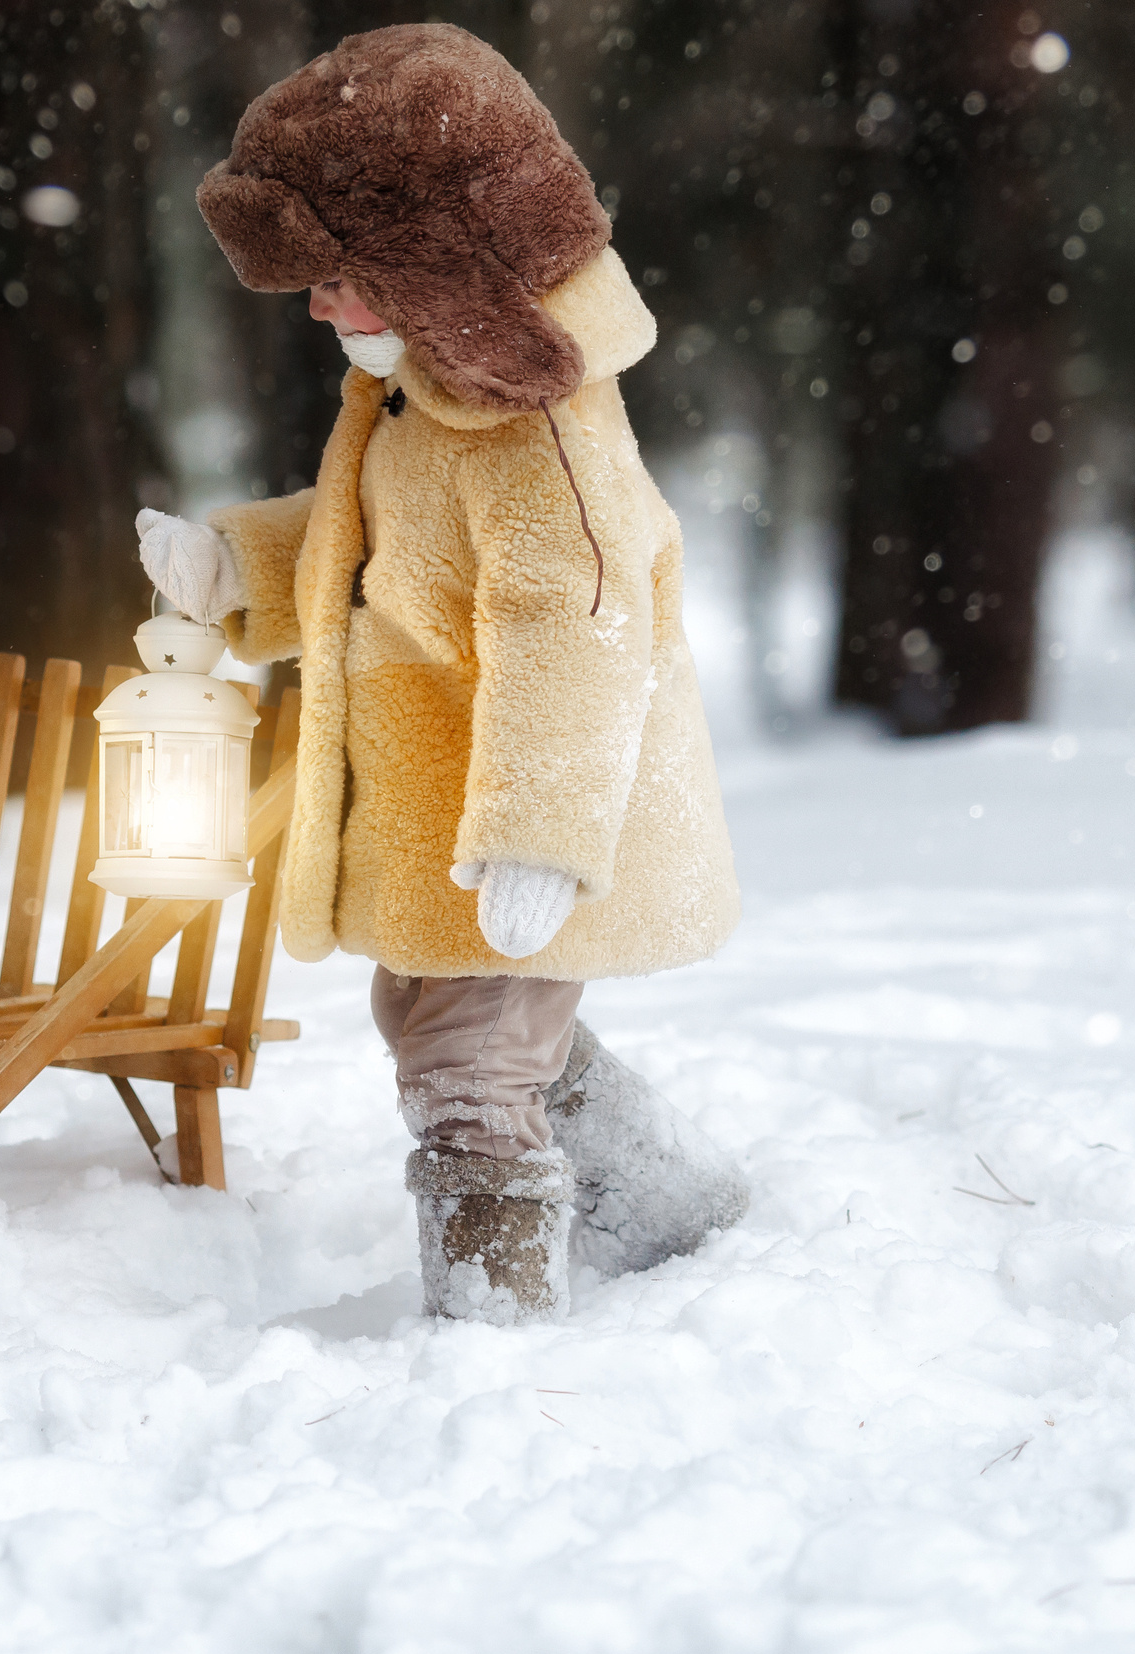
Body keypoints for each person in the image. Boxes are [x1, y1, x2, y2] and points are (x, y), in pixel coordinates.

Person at [137, 24, 746, 1324]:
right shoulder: (424, 403)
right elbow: (371, 542)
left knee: (466, 1076)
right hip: (441, 809)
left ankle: (494, 1330)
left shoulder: (543, 446)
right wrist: (235, 566)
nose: (318, 310)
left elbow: (575, 629)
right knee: (436, 1018)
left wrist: (541, 836)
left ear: (441, 268)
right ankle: (658, 1195)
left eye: (339, 278)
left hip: (527, 820)